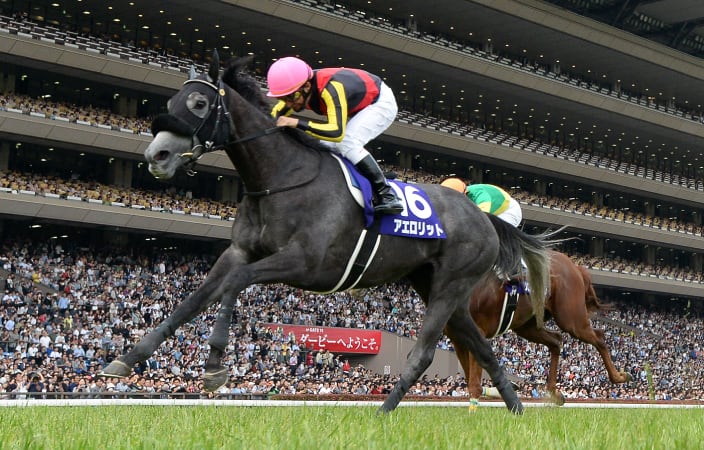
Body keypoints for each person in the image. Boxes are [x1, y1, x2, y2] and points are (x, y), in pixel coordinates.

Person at [266, 56, 403, 215]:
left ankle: (387, 194)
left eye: (290, 97)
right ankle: (364, 177)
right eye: (282, 98)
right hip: (359, 105)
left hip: (380, 102)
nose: (288, 104)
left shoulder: (331, 88)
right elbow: (271, 118)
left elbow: (336, 133)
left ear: (307, 86)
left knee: (346, 142)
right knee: (324, 146)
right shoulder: (297, 90)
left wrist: (296, 123)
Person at [440, 178, 522, 227]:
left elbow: (481, 218)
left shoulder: (481, 196)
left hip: (508, 211)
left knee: (492, 233)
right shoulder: (460, 195)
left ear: (464, 193)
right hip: (491, 213)